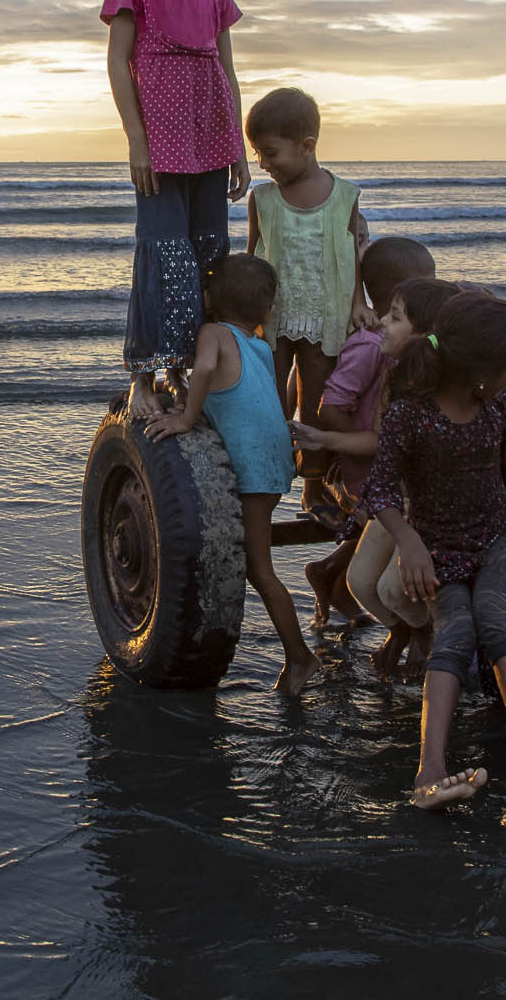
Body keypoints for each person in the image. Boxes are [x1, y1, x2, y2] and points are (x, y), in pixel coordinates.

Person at [360, 289, 506, 824]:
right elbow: (380, 492)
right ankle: (429, 773)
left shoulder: (497, 406)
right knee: (454, 633)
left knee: (496, 620)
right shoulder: (409, 414)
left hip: (497, 541)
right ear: (481, 369)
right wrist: (409, 541)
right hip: (439, 548)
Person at [104, 0, 249, 420]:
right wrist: (136, 141)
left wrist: (236, 145)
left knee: (208, 255)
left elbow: (229, 75)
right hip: (159, 146)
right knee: (162, 256)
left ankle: (185, 365)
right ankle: (144, 373)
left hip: (210, 139)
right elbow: (118, 64)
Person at [146, 254, 319, 696]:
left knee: (259, 570)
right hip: (273, 456)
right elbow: (236, 392)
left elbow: (205, 369)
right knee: (251, 555)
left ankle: (301, 658)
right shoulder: (258, 344)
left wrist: (186, 417)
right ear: (264, 311)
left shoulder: (212, 332)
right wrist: (185, 392)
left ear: (206, 299)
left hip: (254, 466)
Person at [296, 275, 458, 679]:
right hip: (395, 499)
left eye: (395, 316)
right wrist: (323, 437)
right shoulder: (394, 376)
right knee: (361, 583)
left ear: (424, 334)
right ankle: (406, 632)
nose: (380, 321)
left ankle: (427, 639)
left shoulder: (449, 388)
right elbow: (380, 441)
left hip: (429, 503)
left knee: (390, 588)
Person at [245, 87, 372, 516]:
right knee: (268, 391)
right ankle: (266, 472)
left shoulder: (345, 197)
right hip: (274, 313)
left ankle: (313, 484)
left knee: (316, 397)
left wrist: (359, 302)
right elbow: (251, 259)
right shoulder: (261, 199)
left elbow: (352, 254)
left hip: (325, 313)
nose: (262, 164)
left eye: (270, 153)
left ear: (307, 146)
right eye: (257, 154)